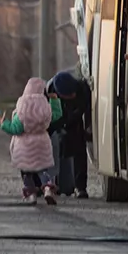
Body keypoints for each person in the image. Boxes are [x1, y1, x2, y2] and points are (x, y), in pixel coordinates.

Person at [0, 77, 63, 205]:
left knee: (27, 172)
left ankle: (31, 194)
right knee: (42, 169)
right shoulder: (45, 107)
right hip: (42, 144)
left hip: (25, 147)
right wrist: (54, 100)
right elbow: (57, 115)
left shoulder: (23, 107)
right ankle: (47, 187)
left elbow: (16, 129)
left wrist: (4, 123)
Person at [47, 70, 93, 198]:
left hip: (75, 121)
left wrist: (89, 128)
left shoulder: (83, 89)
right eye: (70, 95)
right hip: (56, 121)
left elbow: (88, 111)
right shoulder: (50, 91)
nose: (73, 95)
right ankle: (52, 184)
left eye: (74, 94)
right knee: (54, 151)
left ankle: (80, 186)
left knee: (79, 150)